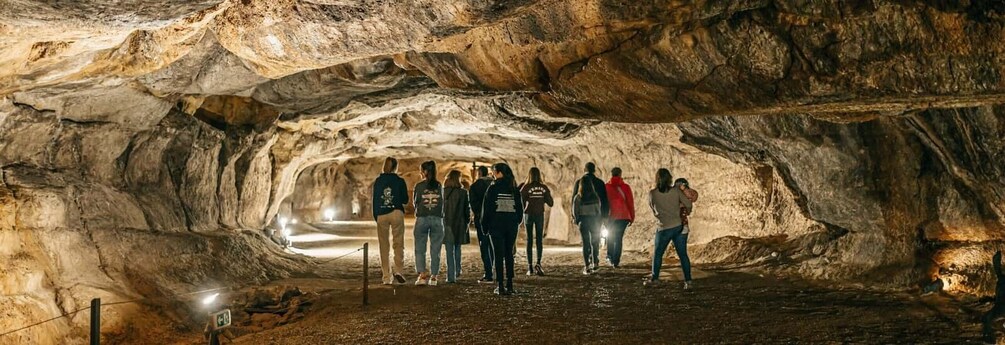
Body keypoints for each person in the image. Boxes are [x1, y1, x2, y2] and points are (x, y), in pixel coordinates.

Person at [644, 168, 693, 289]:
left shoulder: (653, 193)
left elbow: (653, 208)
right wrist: (687, 210)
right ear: (670, 178)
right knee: (683, 255)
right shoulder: (676, 191)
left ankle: (655, 279)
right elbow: (688, 203)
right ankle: (688, 282)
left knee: (658, 254)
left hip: (663, 227)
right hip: (678, 226)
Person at [481, 163, 524, 295]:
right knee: (509, 254)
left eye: (494, 171)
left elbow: (487, 208)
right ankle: (510, 284)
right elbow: (519, 208)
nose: (493, 174)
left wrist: (484, 226)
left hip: (496, 226)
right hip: (511, 225)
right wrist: (517, 221)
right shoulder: (514, 188)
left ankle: (500, 285)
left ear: (499, 173)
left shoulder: (493, 188)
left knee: (498, 255)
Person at [371, 157, 408, 285]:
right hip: (396, 212)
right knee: (398, 243)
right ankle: (399, 271)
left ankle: (386, 277)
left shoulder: (378, 181)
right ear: (395, 167)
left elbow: (375, 199)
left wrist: (376, 215)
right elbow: (405, 199)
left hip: (381, 213)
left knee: (384, 246)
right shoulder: (399, 181)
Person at [572, 162, 610, 275]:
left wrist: (575, 218)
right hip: (595, 219)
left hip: (583, 220)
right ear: (594, 170)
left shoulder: (578, 183)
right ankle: (595, 262)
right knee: (595, 240)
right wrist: (604, 216)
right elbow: (604, 201)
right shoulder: (600, 183)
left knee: (585, 242)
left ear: (584, 169)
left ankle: (587, 265)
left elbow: (574, 203)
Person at [413, 161, 445, 286]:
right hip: (437, 218)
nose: (420, 172)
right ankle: (434, 277)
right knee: (435, 249)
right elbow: (442, 203)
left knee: (420, 248)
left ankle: (422, 275)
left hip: (422, 218)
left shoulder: (419, 186)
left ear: (425, 171)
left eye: (421, 170)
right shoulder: (439, 186)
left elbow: (416, 202)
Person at [520, 167, 554, 276]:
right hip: (539, 215)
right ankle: (538, 263)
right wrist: (542, 198)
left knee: (529, 240)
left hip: (528, 215)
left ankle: (530, 267)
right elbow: (551, 203)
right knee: (539, 240)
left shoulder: (526, 187)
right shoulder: (543, 187)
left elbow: (520, 201)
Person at [442, 170, 471, 283]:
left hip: (447, 223)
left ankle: (450, 276)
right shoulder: (463, 193)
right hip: (460, 223)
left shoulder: (443, 192)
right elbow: (466, 210)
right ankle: (458, 270)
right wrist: (467, 222)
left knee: (449, 249)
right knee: (457, 247)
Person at [605, 167, 635, 269]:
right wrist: (632, 216)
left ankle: (610, 256)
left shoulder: (606, 187)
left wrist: (603, 217)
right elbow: (630, 202)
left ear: (611, 174)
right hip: (623, 216)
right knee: (618, 238)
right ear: (620, 174)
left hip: (611, 217)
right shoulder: (626, 187)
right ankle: (616, 261)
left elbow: (603, 203)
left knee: (610, 236)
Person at [469, 166, 494, 283]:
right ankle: (494, 268)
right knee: (494, 244)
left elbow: (473, 204)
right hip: (495, 218)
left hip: (482, 219)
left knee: (484, 245)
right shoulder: (494, 184)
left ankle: (488, 273)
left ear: (479, 173)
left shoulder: (475, 186)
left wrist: (478, 215)